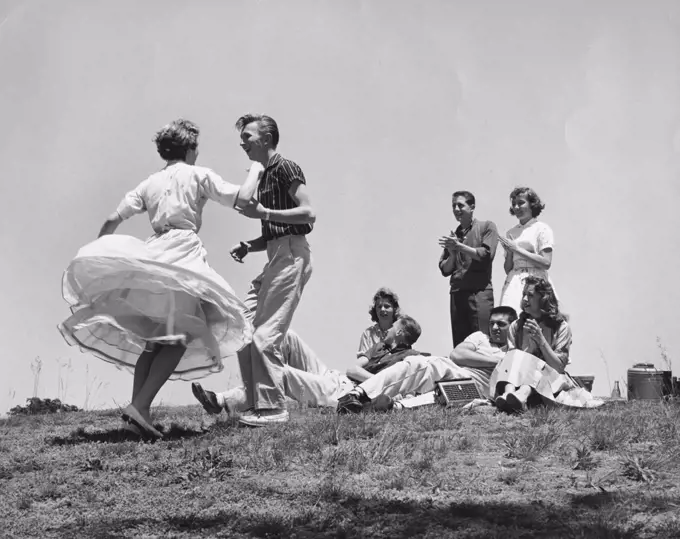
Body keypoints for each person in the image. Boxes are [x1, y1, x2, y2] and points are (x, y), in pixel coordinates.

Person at [58, 119, 262, 438]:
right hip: (183, 254)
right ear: (191, 148)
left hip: (155, 254)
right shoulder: (198, 175)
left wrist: (101, 253)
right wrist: (256, 169)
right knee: (180, 338)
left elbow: (113, 219)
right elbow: (244, 199)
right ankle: (138, 408)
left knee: (155, 343)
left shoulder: (150, 183)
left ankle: (139, 413)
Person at [228, 114, 316, 427]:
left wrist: (264, 211)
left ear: (266, 139)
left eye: (248, 136)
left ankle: (273, 408)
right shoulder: (263, 176)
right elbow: (272, 230)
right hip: (274, 254)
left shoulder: (286, 168)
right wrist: (249, 246)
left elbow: (308, 213)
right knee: (243, 330)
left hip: (292, 254)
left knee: (266, 335)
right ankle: (255, 406)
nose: (242, 142)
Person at [191, 315, 424, 414]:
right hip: (335, 376)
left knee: (279, 372)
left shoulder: (409, 359)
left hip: (344, 392)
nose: (389, 327)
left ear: (401, 332)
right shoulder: (380, 347)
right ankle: (257, 392)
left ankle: (222, 402)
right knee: (288, 336)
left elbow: (396, 387)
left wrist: (370, 383)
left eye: (394, 326)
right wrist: (372, 379)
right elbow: (353, 368)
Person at [336, 307, 517, 414]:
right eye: (492, 323)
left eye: (501, 324)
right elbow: (458, 355)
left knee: (444, 396)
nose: (494, 328)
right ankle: (356, 395)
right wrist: (497, 362)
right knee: (421, 362)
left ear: (513, 326)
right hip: (455, 370)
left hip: (477, 388)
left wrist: (483, 360)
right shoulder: (480, 337)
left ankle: (388, 407)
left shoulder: (515, 352)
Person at [491, 276, 603, 412]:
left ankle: (521, 396)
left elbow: (558, 367)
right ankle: (508, 395)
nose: (525, 299)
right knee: (513, 357)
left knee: (535, 365)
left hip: (550, 384)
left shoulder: (561, 327)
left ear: (543, 299)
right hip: (516, 381)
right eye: (524, 295)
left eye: (530, 295)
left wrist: (541, 340)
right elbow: (511, 361)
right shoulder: (516, 326)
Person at [438, 191, 498, 347]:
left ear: (472, 207)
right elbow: (445, 269)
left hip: (479, 293)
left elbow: (485, 255)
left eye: (460, 205)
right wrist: (452, 253)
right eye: (453, 206)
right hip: (457, 295)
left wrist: (460, 246)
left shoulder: (487, 226)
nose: (456, 209)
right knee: (460, 345)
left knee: (482, 343)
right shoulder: (454, 235)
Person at [498, 187, 557, 316]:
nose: (517, 207)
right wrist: (509, 252)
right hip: (514, 280)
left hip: (535, 280)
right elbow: (508, 268)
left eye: (521, 203)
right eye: (514, 204)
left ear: (532, 204)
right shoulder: (511, 232)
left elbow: (546, 262)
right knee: (511, 319)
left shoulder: (542, 229)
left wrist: (517, 249)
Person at [356, 287, 402, 360]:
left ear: (394, 309)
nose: (382, 309)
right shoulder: (368, 334)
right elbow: (362, 361)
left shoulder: (401, 332)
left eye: (387, 306)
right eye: (379, 307)